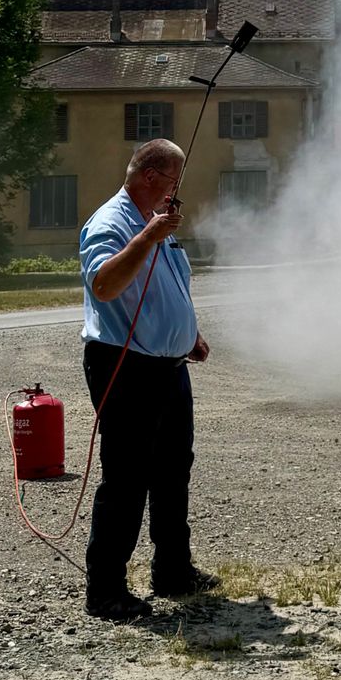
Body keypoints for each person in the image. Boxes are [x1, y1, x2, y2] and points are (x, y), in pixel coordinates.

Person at [79, 138, 218, 621]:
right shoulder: (111, 223)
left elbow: (168, 284)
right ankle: (105, 590)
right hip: (124, 365)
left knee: (174, 468)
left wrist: (189, 333)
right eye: (175, 182)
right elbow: (103, 285)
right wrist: (146, 239)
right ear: (152, 178)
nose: (178, 193)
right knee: (126, 476)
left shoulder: (158, 226)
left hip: (169, 366)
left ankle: (173, 570)